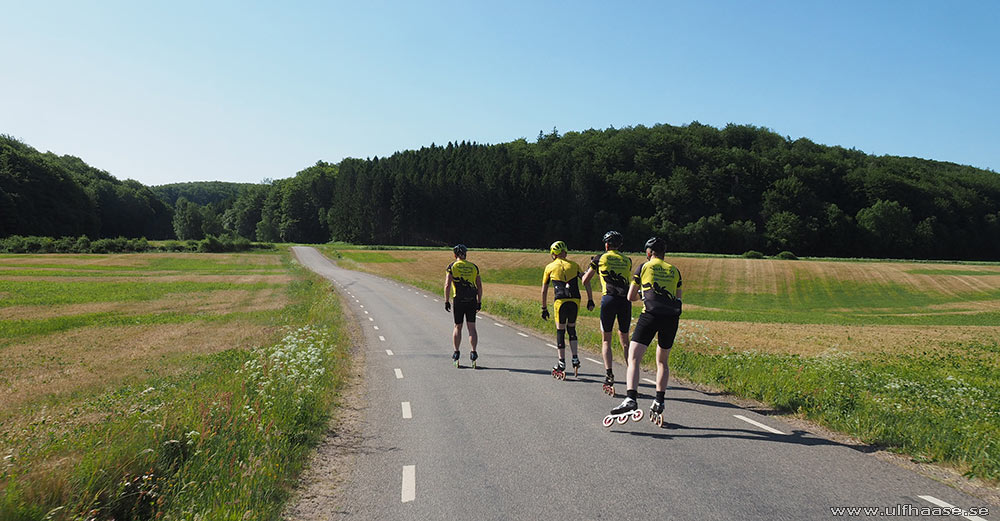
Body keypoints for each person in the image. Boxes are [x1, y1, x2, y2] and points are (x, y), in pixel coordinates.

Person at [606, 237, 682, 426]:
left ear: (649, 252)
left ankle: (631, 398)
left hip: (650, 316)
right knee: (662, 361)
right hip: (671, 318)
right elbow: (678, 299)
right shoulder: (675, 271)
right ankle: (659, 400)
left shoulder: (644, 267)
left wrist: (643, 295)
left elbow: (631, 296)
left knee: (634, 357)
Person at [581, 230, 633, 395]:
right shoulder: (627, 260)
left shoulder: (599, 258)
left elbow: (585, 280)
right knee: (625, 340)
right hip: (625, 301)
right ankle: (632, 375)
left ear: (606, 244)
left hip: (609, 299)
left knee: (606, 340)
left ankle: (609, 374)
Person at [540, 240, 594, 379]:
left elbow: (544, 290)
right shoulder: (574, 265)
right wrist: (590, 299)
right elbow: (586, 281)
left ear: (553, 254)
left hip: (560, 300)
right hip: (575, 300)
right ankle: (575, 358)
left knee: (560, 330)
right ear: (565, 252)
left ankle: (561, 362)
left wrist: (544, 307)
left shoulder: (549, 267)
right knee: (572, 329)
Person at [444, 244, 483, 368]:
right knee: (472, 327)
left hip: (459, 300)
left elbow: (447, 285)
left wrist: (446, 300)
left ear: (455, 255)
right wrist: (479, 301)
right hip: (471, 300)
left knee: (458, 327)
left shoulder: (452, 267)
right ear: (466, 254)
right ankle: (473, 353)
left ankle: (456, 353)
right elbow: (479, 286)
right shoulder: (473, 267)